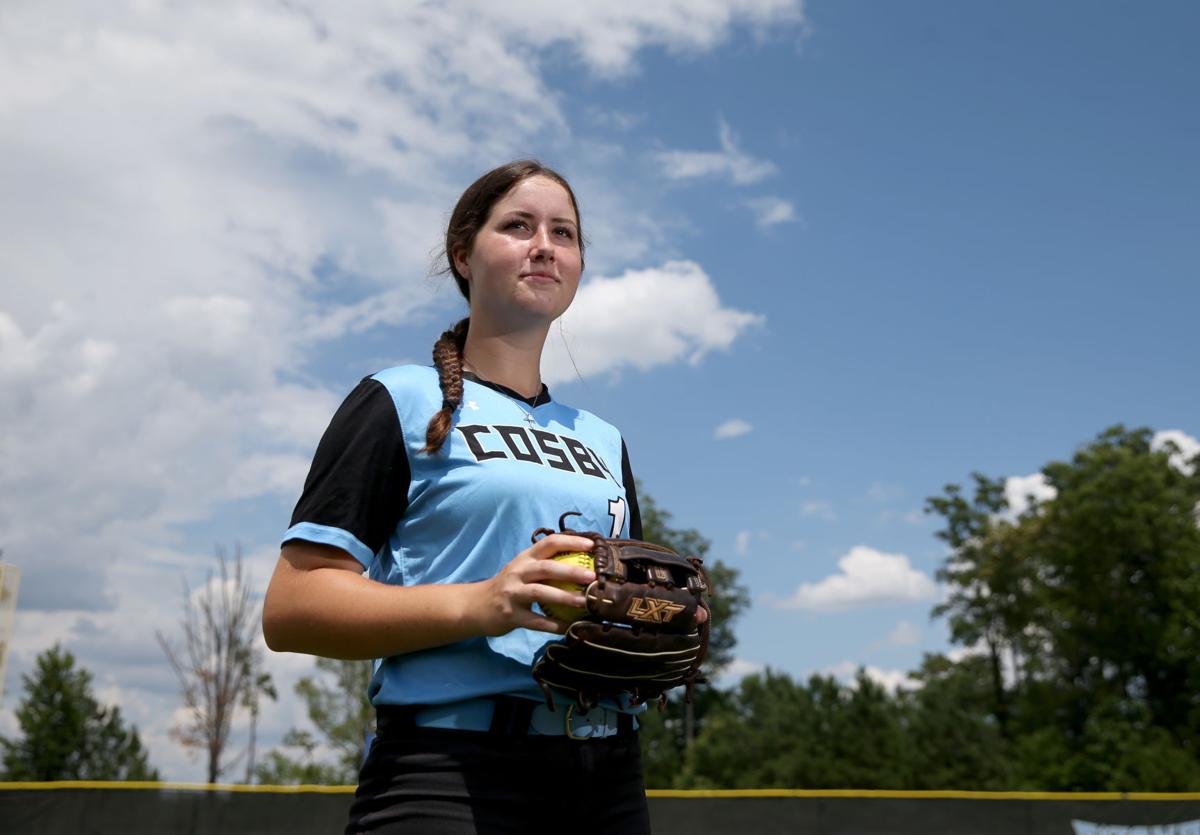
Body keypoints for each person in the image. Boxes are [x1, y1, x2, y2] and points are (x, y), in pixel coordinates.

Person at [262, 160, 663, 834]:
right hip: (452, 771)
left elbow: (614, 608)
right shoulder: (399, 398)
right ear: (463, 255)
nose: (545, 244)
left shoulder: (602, 439)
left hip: (608, 776)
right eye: (518, 225)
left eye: (564, 233)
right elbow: (294, 607)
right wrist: (484, 603)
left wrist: (649, 624)